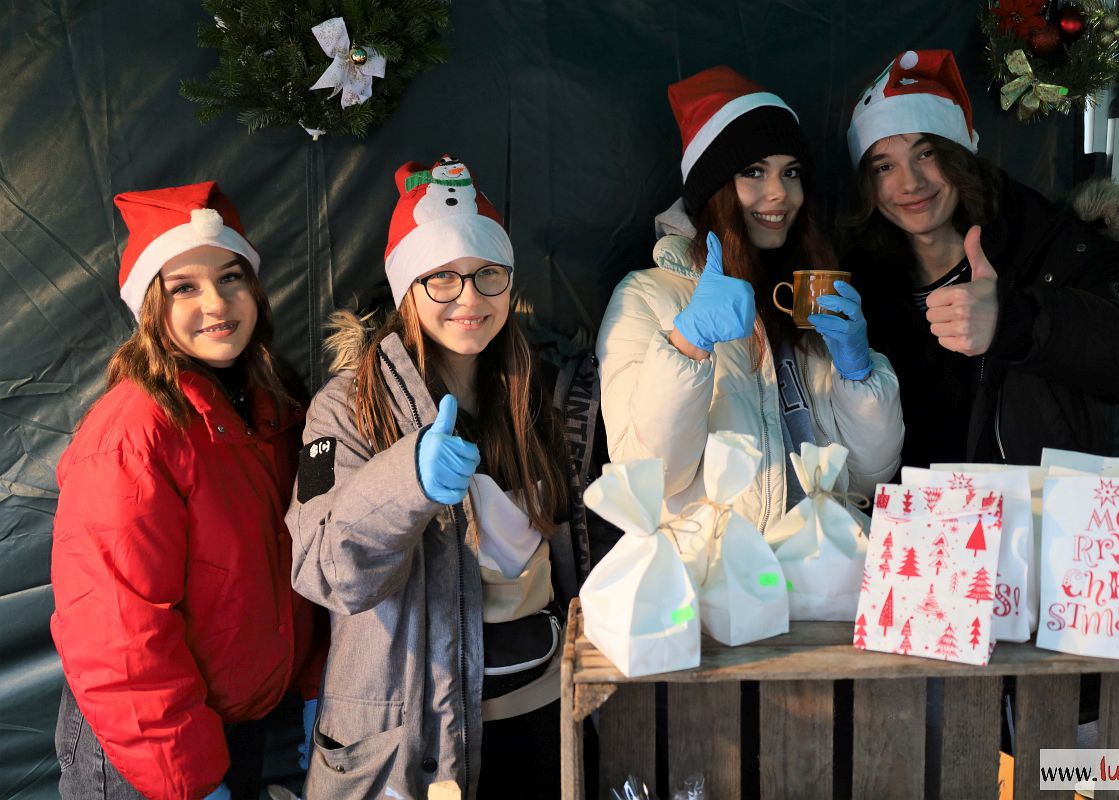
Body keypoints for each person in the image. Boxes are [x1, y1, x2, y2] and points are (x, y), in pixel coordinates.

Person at [288, 156, 588, 800]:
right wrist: (408, 483)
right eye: (442, 280)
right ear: (406, 289)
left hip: (539, 715)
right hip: (412, 738)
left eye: (487, 275)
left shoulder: (533, 395)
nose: (471, 298)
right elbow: (321, 566)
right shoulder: (343, 407)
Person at [50, 182, 326, 800]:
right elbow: (117, 633)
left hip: (240, 727)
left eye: (230, 277)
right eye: (185, 288)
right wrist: (186, 780)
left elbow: (305, 552)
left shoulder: (276, 404)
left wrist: (313, 683)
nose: (217, 303)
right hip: (148, 750)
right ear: (151, 306)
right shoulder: (133, 434)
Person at [842, 49, 1119, 468]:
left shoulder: (1054, 243)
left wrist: (1015, 321)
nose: (909, 183)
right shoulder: (859, 280)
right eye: (883, 166)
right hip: (907, 522)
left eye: (926, 153)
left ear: (959, 155)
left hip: (1036, 521)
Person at [597, 66, 903, 530]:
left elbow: (869, 477)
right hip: (718, 583)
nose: (780, 192)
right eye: (754, 172)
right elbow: (646, 485)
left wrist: (860, 376)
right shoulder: (646, 297)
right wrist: (687, 344)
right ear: (715, 190)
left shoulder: (808, 291)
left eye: (791, 172)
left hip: (828, 575)